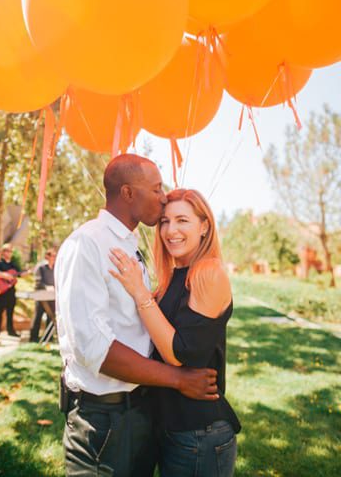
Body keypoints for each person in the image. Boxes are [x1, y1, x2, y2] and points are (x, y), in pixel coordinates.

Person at [56, 154, 220, 477]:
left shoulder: (129, 245)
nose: (164, 197)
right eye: (157, 189)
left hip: (138, 414)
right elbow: (94, 350)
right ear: (128, 193)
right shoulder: (87, 245)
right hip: (104, 423)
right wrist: (178, 379)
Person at [108, 188, 241, 477]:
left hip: (199, 433)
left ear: (204, 226)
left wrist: (139, 293)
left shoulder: (208, 271)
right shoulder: (174, 275)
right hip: (169, 426)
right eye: (165, 222)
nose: (171, 230)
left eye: (183, 220)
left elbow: (179, 354)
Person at [0, 243, 21, 337]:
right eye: (7, 251)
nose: (10, 253)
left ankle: (10, 331)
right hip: (1, 291)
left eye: (11, 251)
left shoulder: (13, 265)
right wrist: (6, 275)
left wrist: (28, 272)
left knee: (10, 312)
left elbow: (18, 274)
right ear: (3, 252)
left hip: (11, 291)